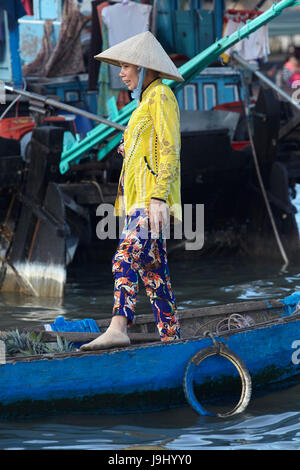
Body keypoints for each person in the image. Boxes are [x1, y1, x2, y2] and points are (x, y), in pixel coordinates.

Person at [80, 31, 184, 351]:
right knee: (153, 274)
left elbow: (170, 149)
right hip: (137, 203)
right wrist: (131, 147)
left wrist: (158, 198)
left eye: (126, 66)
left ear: (143, 68)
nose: (121, 73)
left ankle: (118, 325)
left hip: (149, 202)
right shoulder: (142, 103)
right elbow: (149, 148)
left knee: (124, 259)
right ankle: (172, 340)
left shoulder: (162, 96)